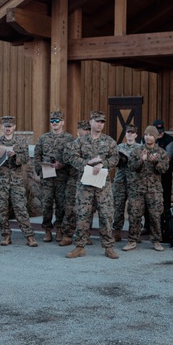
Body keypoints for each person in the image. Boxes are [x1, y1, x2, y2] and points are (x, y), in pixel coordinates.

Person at [66, 111, 119, 259]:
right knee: (83, 215)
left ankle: (108, 247)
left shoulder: (109, 141)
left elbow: (115, 158)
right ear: (90, 122)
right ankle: (79, 246)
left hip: (102, 185)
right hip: (85, 184)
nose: (99, 124)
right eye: (97, 121)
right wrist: (86, 164)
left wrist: (103, 164)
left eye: (102, 122)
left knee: (106, 215)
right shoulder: (80, 141)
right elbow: (71, 157)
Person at [0, 116, 38, 247]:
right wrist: (1, 155)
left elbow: (26, 159)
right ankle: (6, 235)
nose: (8, 129)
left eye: (10, 126)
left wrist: (15, 155)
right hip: (0, 181)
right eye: (5, 126)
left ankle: (29, 236)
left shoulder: (21, 142)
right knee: (1, 209)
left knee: (20, 208)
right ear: (1, 127)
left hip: (16, 181)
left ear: (14, 127)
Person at [123, 126, 170, 252]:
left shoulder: (161, 152)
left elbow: (164, 169)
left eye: (151, 135)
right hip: (137, 189)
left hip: (154, 190)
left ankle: (156, 241)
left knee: (155, 215)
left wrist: (157, 162)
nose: (148, 137)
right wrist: (141, 161)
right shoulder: (137, 151)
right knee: (134, 215)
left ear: (155, 137)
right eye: (146, 134)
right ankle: (132, 240)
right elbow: (131, 167)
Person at [34, 110, 74, 243]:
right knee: (46, 204)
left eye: (57, 121)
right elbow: (37, 155)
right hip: (47, 177)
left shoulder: (69, 138)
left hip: (62, 177)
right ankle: (47, 230)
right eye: (52, 121)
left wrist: (62, 165)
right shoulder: (43, 138)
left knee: (61, 205)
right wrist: (40, 169)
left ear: (62, 122)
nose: (54, 123)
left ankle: (59, 229)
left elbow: (73, 157)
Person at [60, 120, 90, 247]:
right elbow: (66, 159)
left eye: (89, 130)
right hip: (74, 181)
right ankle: (67, 235)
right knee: (70, 209)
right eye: (85, 129)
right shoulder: (71, 145)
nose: (87, 132)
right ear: (78, 131)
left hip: (89, 180)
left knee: (87, 210)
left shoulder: (94, 145)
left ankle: (84, 235)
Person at [112, 125, 141, 242]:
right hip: (120, 181)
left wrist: (128, 156)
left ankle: (134, 233)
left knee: (134, 209)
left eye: (132, 133)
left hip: (134, 181)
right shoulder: (120, 147)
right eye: (128, 132)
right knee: (118, 207)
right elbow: (114, 162)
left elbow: (140, 163)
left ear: (136, 135)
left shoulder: (140, 147)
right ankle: (117, 231)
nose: (130, 134)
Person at [153, 119, 173, 221]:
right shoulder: (146, 138)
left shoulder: (169, 139)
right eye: (158, 131)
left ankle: (166, 223)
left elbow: (169, 156)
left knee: (166, 198)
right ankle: (148, 225)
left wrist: (155, 157)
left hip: (165, 173)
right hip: (151, 175)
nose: (160, 133)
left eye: (161, 130)